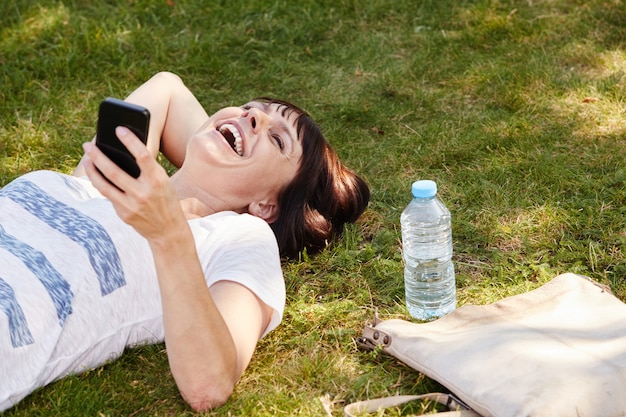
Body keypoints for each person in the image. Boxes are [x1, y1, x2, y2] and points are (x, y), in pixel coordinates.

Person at [0, 72, 370, 412]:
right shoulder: (96, 184)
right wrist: (228, 142)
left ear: (266, 206)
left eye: (277, 139)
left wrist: (168, 229)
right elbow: (167, 88)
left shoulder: (238, 236)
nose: (252, 117)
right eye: (248, 110)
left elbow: (210, 383)